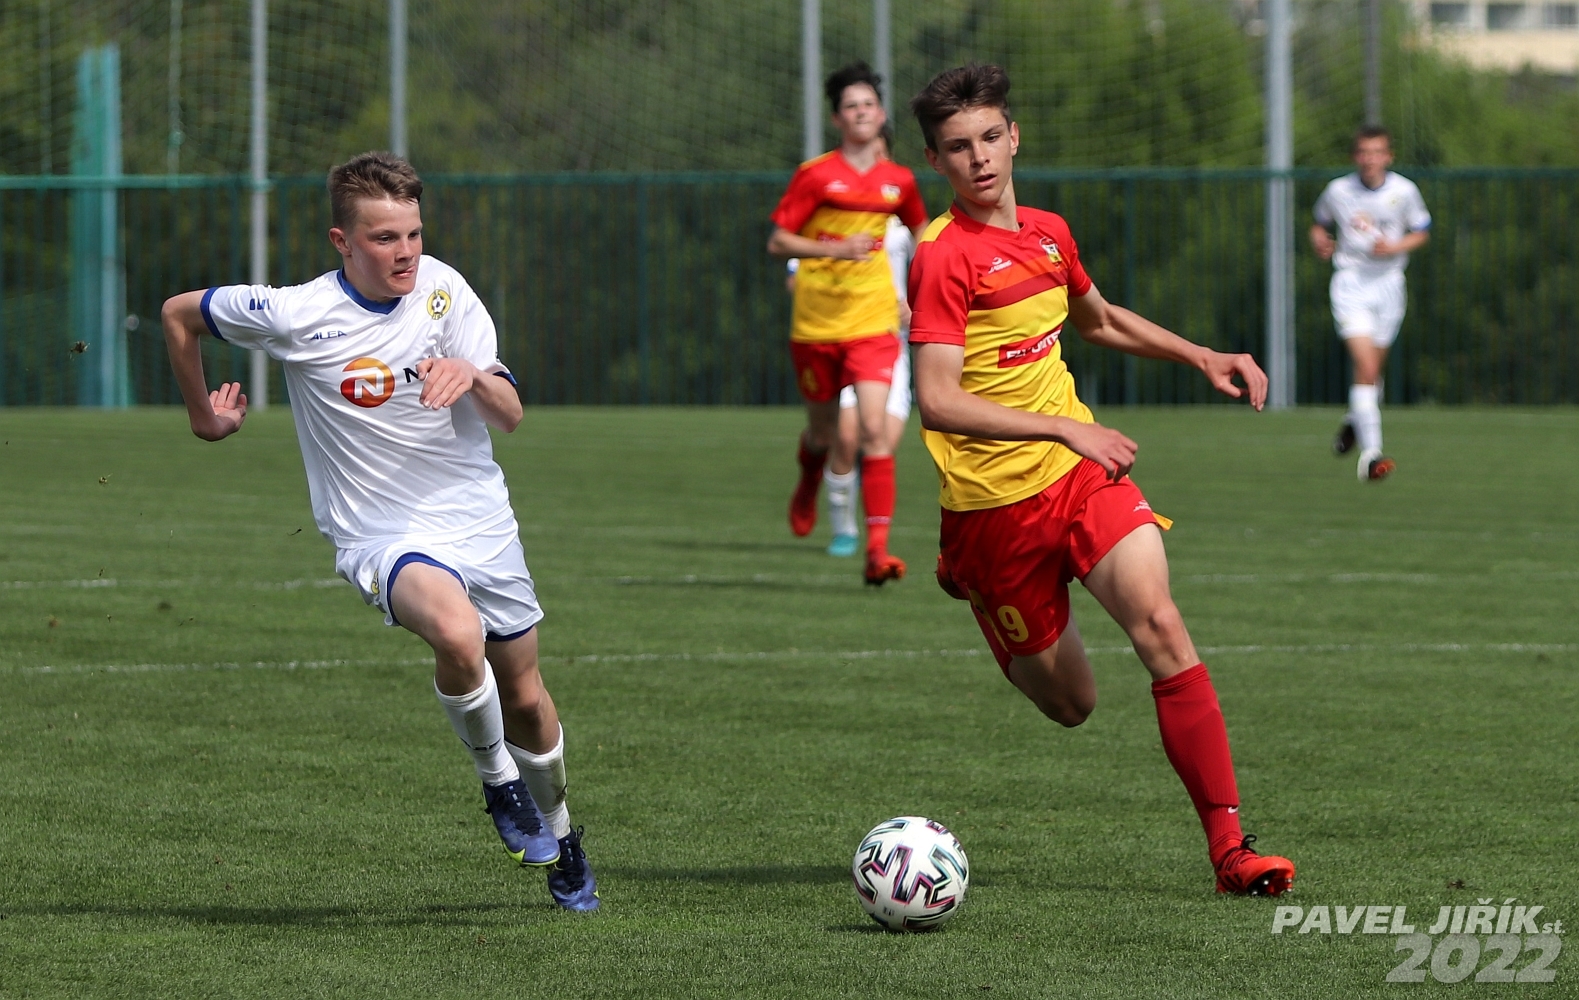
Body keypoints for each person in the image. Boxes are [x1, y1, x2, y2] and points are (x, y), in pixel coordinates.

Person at [158, 152, 598, 911]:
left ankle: (563, 838)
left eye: (414, 234)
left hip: (479, 521)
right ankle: (499, 784)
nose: (405, 252)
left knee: (526, 697)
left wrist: (472, 375)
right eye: (385, 237)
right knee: (457, 634)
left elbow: (510, 415)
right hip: (381, 534)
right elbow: (178, 313)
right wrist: (204, 418)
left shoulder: (445, 291)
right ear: (342, 241)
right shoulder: (295, 313)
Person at [907, 64, 1295, 895]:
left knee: (1160, 624)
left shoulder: (1048, 232)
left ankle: (1231, 851)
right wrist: (1062, 425)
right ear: (935, 161)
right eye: (957, 147)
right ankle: (967, 578)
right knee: (1071, 705)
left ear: (1014, 136)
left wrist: (1201, 355)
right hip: (991, 512)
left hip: (1080, 479)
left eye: (989, 137)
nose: (979, 158)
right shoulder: (941, 257)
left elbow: (1100, 318)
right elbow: (936, 400)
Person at [768, 62, 928, 585]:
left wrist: (923, 292)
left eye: (869, 104)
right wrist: (833, 249)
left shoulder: (899, 181)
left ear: (881, 115)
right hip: (817, 323)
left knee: (874, 430)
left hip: (874, 321)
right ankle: (809, 476)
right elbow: (778, 242)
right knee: (823, 432)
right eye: (851, 106)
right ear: (837, 119)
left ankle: (876, 551)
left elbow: (924, 233)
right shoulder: (815, 175)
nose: (862, 112)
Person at [784, 126, 918, 559]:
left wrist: (915, 305)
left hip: (886, 338)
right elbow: (794, 272)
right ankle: (844, 528)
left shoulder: (902, 223)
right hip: (835, 331)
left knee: (879, 437)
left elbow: (931, 271)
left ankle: (875, 543)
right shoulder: (828, 209)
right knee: (839, 436)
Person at [1311, 126, 1431, 482]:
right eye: (1364, 152)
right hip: (1351, 285)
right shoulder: (1338, 190)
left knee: (1372, 372)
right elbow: (1319, 223)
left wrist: (1395, 247)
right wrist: (1320, 241)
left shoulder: (1404, 191)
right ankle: (1371, 455)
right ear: (1355, 156)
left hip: (1389, 286)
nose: (1370, 159)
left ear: (1388, 157)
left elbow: (1422, 231)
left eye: (1377, 152)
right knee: (1365, 367)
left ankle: (1355, 419)